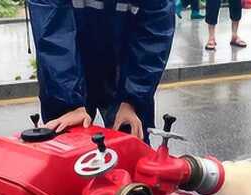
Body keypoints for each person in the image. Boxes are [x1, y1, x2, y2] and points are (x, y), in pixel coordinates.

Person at [28, 0, 175, 143]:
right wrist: (68, 106)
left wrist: (132, 100)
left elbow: (155, 31)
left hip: (124, 75)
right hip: (69, 75)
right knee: (66, 149)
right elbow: (52, 32)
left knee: (130, 147)